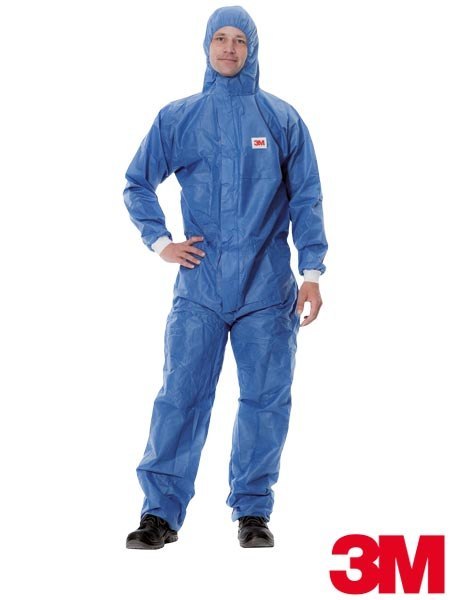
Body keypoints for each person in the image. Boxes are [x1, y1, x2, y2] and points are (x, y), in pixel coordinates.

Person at [123, 5, 328, 550]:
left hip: (267, 288)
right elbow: (137, 182)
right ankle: (159, 514)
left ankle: (253, 511)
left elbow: (307, 197)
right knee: (181, 396)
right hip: (202, 287)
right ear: (207, 46)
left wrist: (311, 271)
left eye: (240, 40)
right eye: (221, 39)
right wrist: (161, 242)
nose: (230, 48)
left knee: (265, 400)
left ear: (252, 48)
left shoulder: (281, 119)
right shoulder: (179, 118)